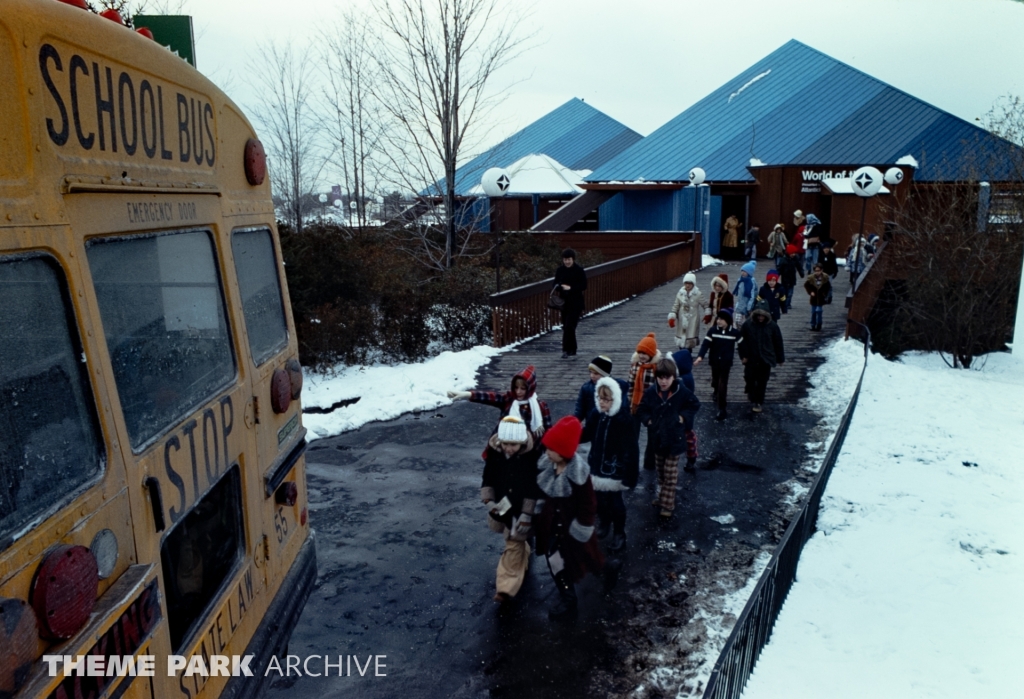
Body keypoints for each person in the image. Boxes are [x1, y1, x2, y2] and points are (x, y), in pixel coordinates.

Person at [535, 416, 605, 621]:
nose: (547, 452)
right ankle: (568, 598)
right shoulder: (548, 467)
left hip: (572, 529)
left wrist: (582, 527)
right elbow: (541, 494)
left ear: (564, 451)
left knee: (589, 559)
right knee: (556, 563)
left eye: (551, 449)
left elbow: (588, 504)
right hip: (552, 528)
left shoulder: (579, 475)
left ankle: (608, 569)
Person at [481, 416, 542, 603]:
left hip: (520, 509)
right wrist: (489, 500)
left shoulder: (530, 458)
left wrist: (527, 513)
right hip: (503, 506)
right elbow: (488, 477)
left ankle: (505, 587)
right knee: (515, 540)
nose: (509, 448)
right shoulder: (495, 455)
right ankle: (523, 552)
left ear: (522, 442)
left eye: (513, 444)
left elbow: (533, 488)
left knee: (513, 543)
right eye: (506, 443)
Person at [636, 359, 700, 518]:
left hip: (675, 440)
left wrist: (682, 417)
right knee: (661, 471)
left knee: (670, 474)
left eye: (667, 378)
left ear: (673, 377)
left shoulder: (681, 391)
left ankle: (667, 504)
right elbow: (642, 409)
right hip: (657, 439)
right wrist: (648, 421)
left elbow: (694, 404)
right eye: (660, 377)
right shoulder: (651, 392)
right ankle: (662, 496)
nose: (663, 381)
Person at [580, 378, 639, 552]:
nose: (602, 402)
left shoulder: (623, 420)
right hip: (597, 465)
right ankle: (604, 522)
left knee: (615, 502)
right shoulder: (596, 415)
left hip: (615, 469)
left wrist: (630, 474)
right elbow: (587, 433)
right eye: (600, 398)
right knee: (598, 499)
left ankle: (619, 533)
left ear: (615, 400)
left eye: (606, 399)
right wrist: (571, 436)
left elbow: (631, 449)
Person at [448, 365, 551, 441]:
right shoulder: (509, 399)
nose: (518, 392)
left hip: (528, 453)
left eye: (523, 388)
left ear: (530, 388)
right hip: (502, 447)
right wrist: (468, 394)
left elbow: (548, 432)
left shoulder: (540, 407)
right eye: (516, 387)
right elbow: (489, 397)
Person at [694, 308, 742, 421]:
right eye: (718, 319)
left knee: (722, 384)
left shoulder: (734, 332)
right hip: (714, 361)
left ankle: (722, 408)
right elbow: (705, 344)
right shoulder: (712, 331)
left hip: (726, 363)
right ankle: (715, 390)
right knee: (715, 380)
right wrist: (700, 356)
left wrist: (744, 357)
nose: (718, 321)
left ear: (728, 321)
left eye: (721, 319)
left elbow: (742, 345)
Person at [739, 300, 785, 413]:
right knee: (749, 377)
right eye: (758, 315)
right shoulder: (748, 325)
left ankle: (758, 401)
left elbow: (778, 342)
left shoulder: (773, 326)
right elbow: (741, 342)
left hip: (766, 358)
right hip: (751, 357)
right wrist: (743, 355)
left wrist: (780, 358)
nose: (760, 317)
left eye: (763, 315)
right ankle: (750, 389)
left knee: (762, 381)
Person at [628, 333, 662, 471]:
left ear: (651, 354)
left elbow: (660, 388)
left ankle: (650, 463)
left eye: (645, 353)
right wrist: (629, 402)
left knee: (652, 436)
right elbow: (630, 385)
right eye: (640, 353)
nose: (642, 356)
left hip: (651, 406)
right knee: (633, 435)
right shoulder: (635, 366)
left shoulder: (656, 368)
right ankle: (632, 462)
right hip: (636, 404)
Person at [574, 355, 630, 424]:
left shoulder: (616, 387)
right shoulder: (586, 387)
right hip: (592, 424)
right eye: (590, 372)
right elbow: (580, 409)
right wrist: (574, 422)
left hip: (610, 423)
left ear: (604, 375)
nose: (592, 376)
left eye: (596, 373)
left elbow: (623, 407)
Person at [553, 248, 587, 358]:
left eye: (569, 259)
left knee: (569, 325)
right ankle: (572, 349)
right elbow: (554, 283)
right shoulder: (560, 270)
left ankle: (566, 350)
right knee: (566, 326)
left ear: (573, 259)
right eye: (565, 259)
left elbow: (584, 285)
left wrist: (571, 288)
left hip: (576, 302)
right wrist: (559, 286)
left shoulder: (579, 270)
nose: (567, 262)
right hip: (564, 302)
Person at [668, 272, 704, 350]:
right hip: (682, 318)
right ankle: (681, 349)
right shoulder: (680, 293)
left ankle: (688, 351)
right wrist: (672, 316)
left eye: (690, 283)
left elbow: (705, 304)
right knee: (681, 336)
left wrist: (708, 313)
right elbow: (676, 305)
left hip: (692, 319)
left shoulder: (698, 294)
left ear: (693, 284)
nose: (687, 285)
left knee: (690, 338)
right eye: (686, 283)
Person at [804, 262, 832, 331]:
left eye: (818, 271)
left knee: (819, 311)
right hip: (813, 298)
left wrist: (824, 293)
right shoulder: (811, 278)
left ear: (822, 270)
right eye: (816, 271)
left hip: (821, 298)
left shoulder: (825, 278)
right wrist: (810, 292)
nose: (817, 272)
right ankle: (813, 325)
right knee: (813, 312)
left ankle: (819, 324)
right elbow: (806, 285)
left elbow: (828, 287)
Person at [778, 244, 803, 313]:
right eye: (792, 253)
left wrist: (801, 273)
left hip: (792, 279)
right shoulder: (783, 260)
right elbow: (779, 269)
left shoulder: (795, 259)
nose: (793, 254)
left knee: (790, 293)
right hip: (785, 279)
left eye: (794, 253)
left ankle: (788, 304)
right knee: (784, 293)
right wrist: (776, 276)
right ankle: (784, 303)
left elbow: (799, 266)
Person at [732, 260, 757, 326]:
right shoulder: (740, 280)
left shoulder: (751, 282)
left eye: (745, 271)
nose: (742, 273)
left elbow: (752, 296)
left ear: (749, 273)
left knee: (748, 323)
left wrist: (749, 307)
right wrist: (738, 304)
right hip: (740, 305)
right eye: (742, 271)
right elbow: (739, 294)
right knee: (737, 322)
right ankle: (739, 332)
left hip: (748, 306)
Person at [820, 239, 839, 305]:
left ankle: (829, 296)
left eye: (827, 248)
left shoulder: (832, 255)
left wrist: (835, 272)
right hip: (822, 273)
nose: (826, 249)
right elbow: (818, 263)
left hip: (830, 272)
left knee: (829, 285)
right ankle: (824, 297)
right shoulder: (821, 255)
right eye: (825, 248)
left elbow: (834, 264)